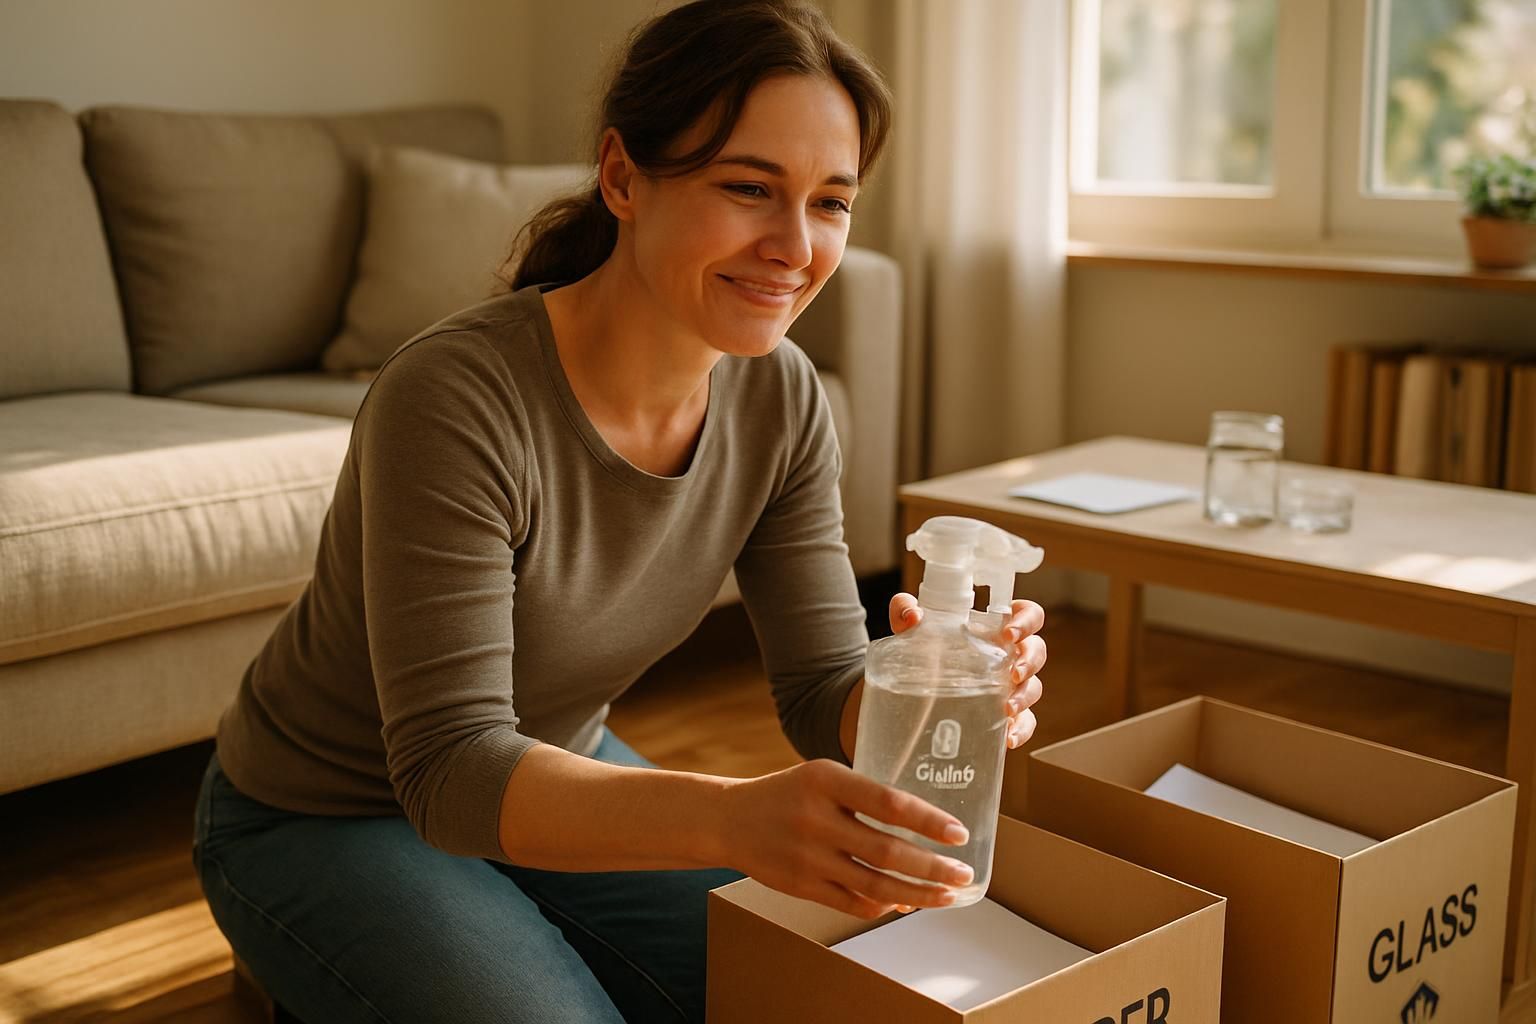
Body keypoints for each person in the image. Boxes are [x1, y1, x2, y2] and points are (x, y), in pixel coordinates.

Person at [192, 2, 1047, 1022]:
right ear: (622, 176)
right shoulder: (458, 398)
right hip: (324, 811)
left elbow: (823, 689)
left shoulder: (783, 399)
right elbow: (453, 771)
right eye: (748, 188)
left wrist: (933, 694)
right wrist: (733, 819)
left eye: (830, 202)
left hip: (556, 765)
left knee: (807, 994)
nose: (795, 245)